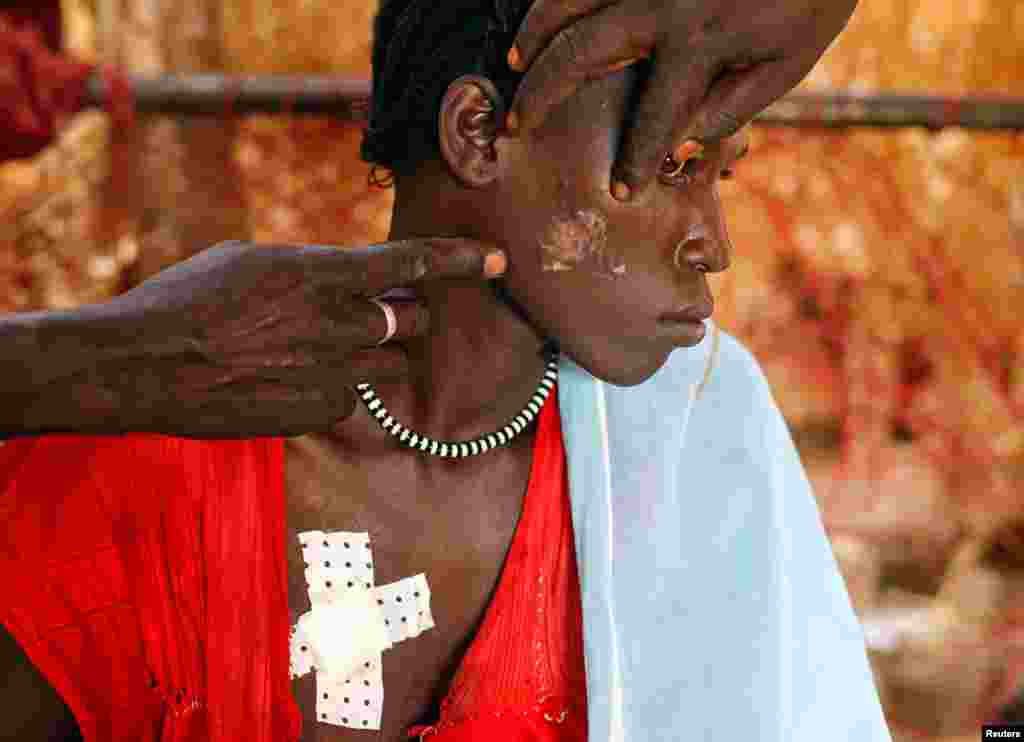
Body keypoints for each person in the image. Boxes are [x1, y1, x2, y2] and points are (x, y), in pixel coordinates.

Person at [0, 1, 891, 741]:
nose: (714, 246)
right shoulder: (148, 450)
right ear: (477, 132)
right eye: (670, 164)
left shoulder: (695, 448)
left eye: (718, 176)